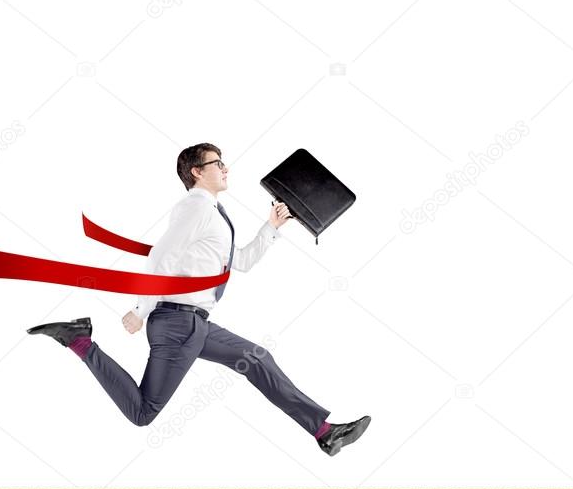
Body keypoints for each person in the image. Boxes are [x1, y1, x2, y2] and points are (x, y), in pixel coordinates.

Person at [27, 143, 370, 456]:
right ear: (197, 171)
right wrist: (140, 309)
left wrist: (273, 226)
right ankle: (81, 342)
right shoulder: (195, 207)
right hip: (178, 324)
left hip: (196, 325)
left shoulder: (213, 215)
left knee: (257, 359)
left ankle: (324, 431)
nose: (226, 168)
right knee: (143, 413)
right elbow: (162, 257)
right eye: (217, 162)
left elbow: (244, 262)